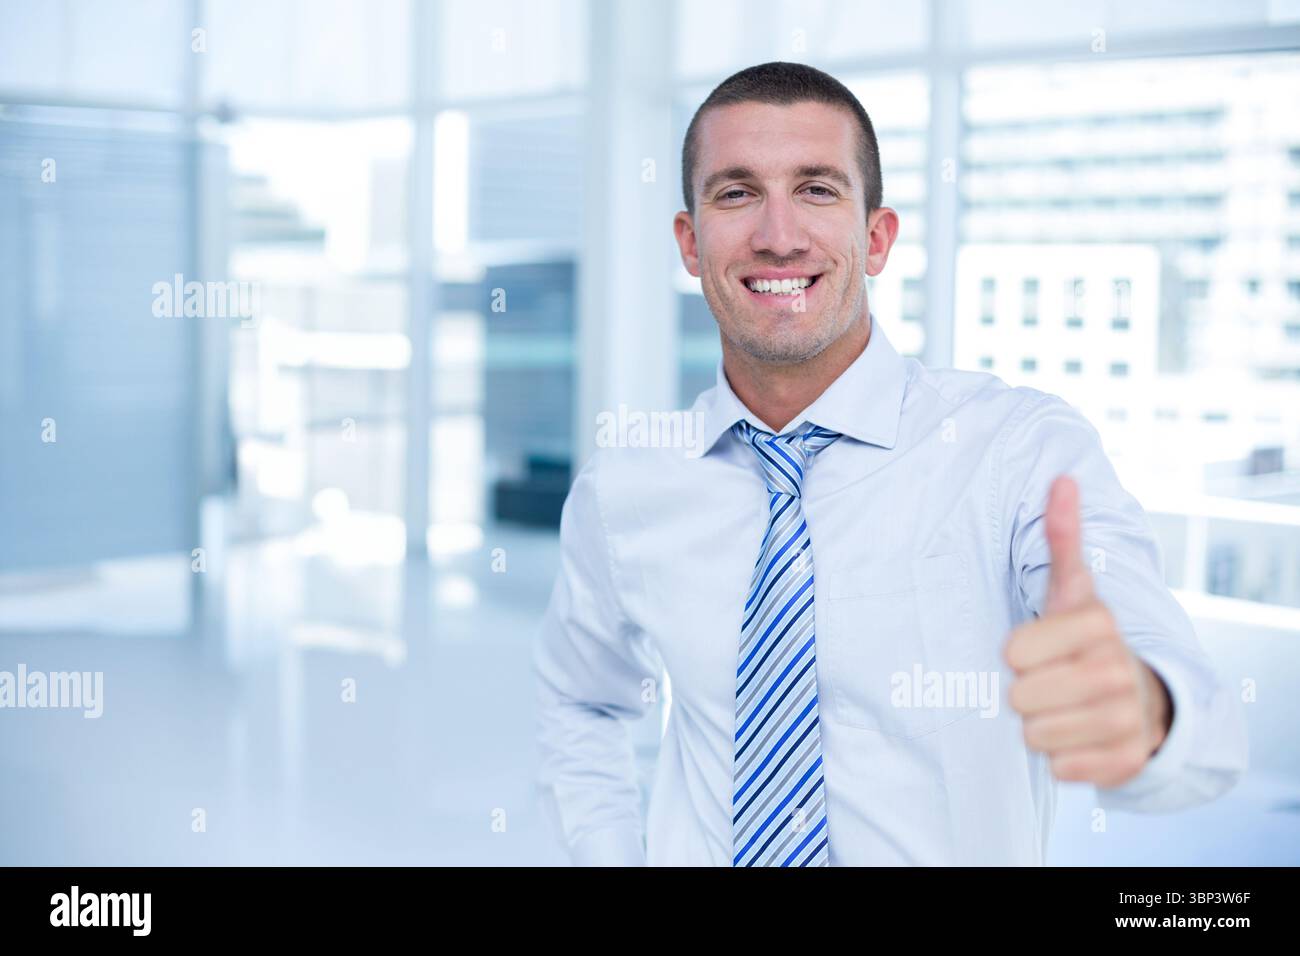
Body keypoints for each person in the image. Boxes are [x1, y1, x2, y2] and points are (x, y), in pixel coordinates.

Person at [532, 61, 1248, 866]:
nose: (777, 234)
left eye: (817, 189)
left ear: (876, 239)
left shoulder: (1017, 450)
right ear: (690, 244)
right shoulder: (627, 485)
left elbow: (1205, 721)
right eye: (736, 193)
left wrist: (1148, 710)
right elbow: (581, 699)